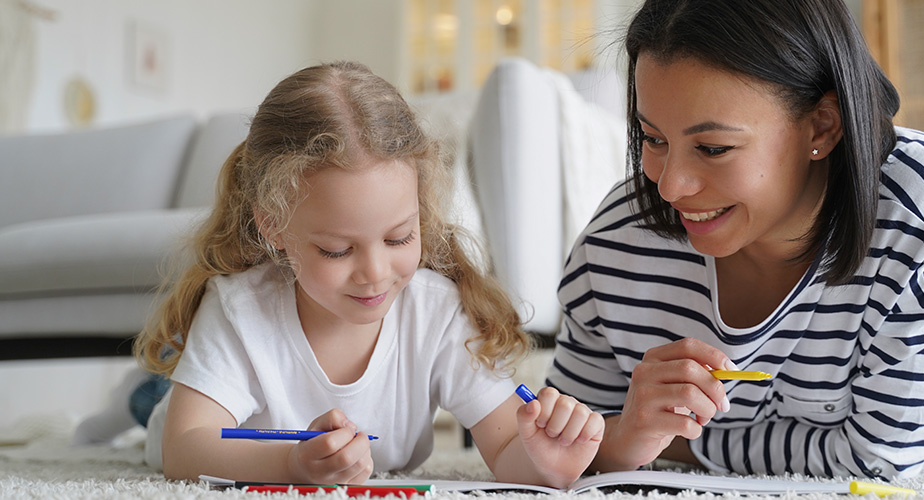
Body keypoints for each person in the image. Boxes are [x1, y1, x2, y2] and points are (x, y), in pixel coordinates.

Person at [546, 0, 924, 480]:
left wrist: (660, 443)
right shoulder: (615, 241)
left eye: (713, 148)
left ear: (822, 125)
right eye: (653, 139)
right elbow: (560, 446)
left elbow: (878, 462)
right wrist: (616, 438)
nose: (670, 187)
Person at [129, 60, 603, 487]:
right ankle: (143, 392)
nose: (375, 275)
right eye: (337, 251)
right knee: (150, 401)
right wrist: (291, 465)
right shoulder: (238, 308)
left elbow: (506, 448)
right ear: (272, 225)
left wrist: (547, 457)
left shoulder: (436, 312)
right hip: (187, 415)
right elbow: (183, 448)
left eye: (399, 239)